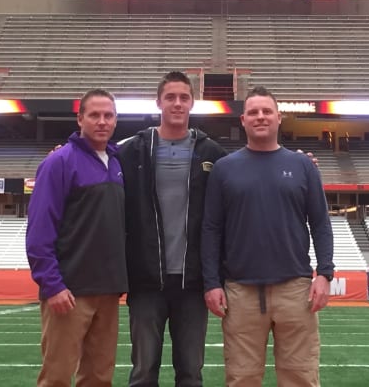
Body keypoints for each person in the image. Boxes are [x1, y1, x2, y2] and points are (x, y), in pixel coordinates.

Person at [201, 85, 334, 387]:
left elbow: (321, 223)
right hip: (240, 292)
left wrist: (325, 273)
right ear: (243, 120)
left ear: (279, 118)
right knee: (242, 378)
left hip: (295, 290)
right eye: (253, 112)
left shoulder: (302, 166)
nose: (260, 117)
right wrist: (211, 283)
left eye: (266, 111)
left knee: (300, 377)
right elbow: (211, 229)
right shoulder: (224, 169)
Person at [117, 71, 228, 387]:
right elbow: (94, 162)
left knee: (191, 374)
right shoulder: (132, 150)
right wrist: (61, 154)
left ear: (192, 102)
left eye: (183, 97)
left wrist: (301, 162)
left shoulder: (212, 153)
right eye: (170, 97)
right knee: (142, 373)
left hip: (193, 284)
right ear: (159, 102)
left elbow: (244, 186)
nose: (177, 103)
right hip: (146, 281)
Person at [26, 89, 127, 387]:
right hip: (69, 293)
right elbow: (39, 230)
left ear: (116, 120)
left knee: (99, 377)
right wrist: (52, 284)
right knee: (57, 376)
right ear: (80, 118)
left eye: (108, 115)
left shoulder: (118, 162)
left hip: (108, 292)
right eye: (94, 115)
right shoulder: (59, 162)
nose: (102, 121)